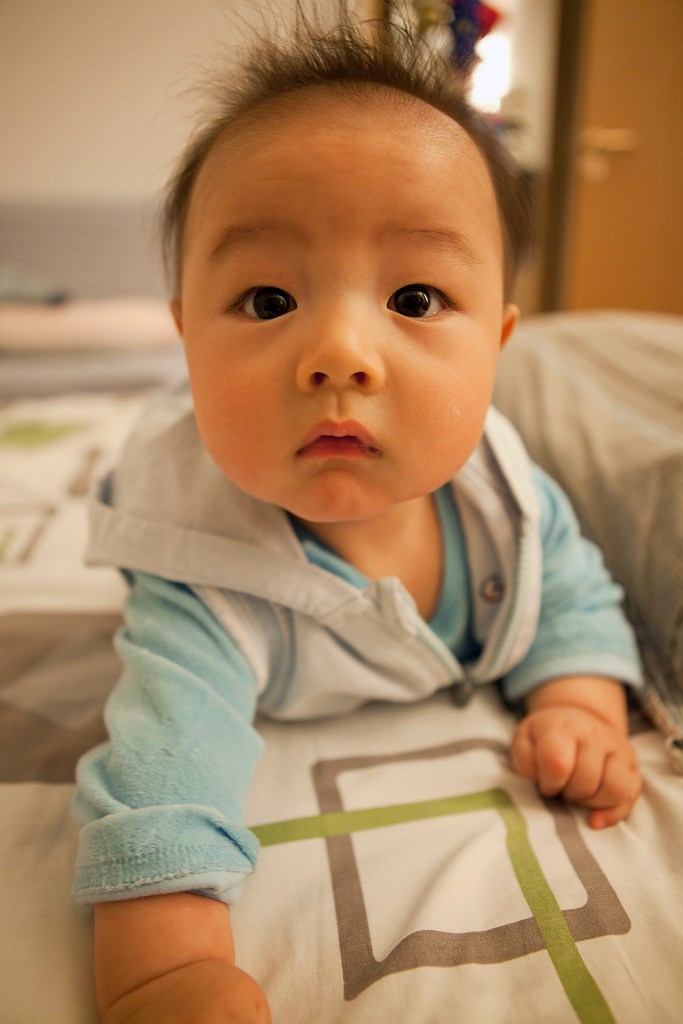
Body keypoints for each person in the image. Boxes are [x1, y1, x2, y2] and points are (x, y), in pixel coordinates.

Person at [72, 9, 643, 1023]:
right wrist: (164, 971)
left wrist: (579, 706)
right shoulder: (202, 573)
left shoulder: (507, 502)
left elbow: (573, 600)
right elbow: (161, 773)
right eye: (266, 301)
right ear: (186, 339)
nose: (339, 353)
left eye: (414, 299)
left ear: (497, 343)